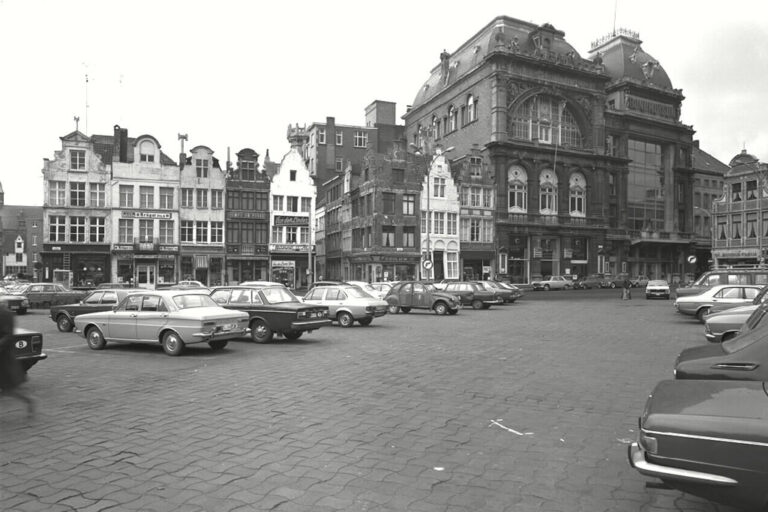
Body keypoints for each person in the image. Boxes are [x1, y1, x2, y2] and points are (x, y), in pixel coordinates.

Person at [0, 304, 35, 417]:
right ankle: (29, 400)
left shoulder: (5, 313)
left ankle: (29, 400)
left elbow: (8, 336)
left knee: (9, 388)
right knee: (7, 388)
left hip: (4, 357)